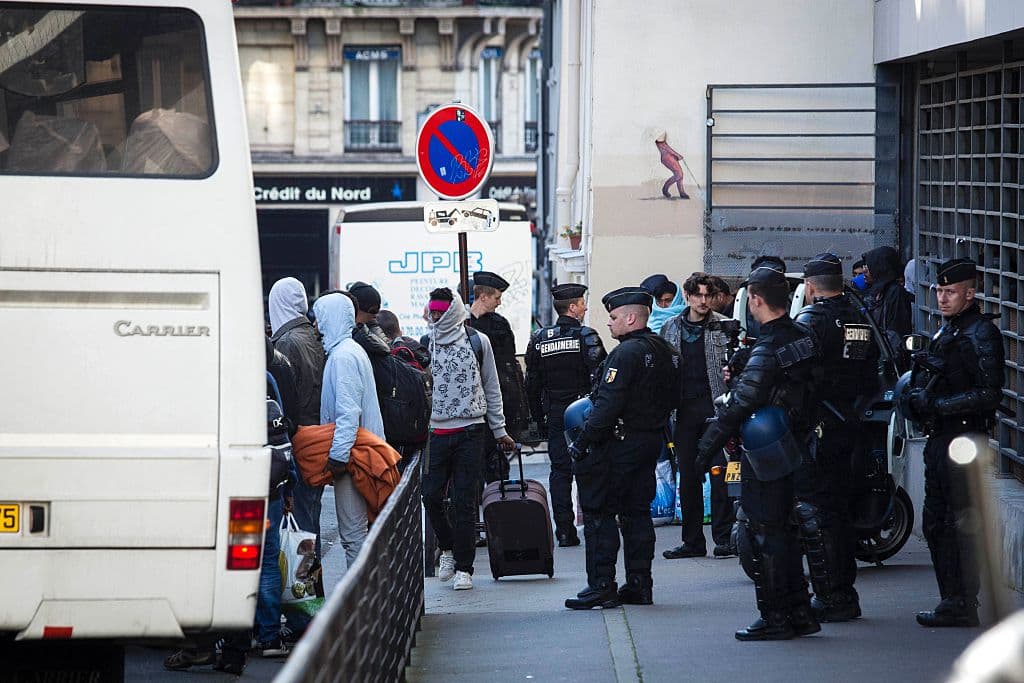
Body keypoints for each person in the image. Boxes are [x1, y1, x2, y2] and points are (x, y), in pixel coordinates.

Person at [696, 262, 820, 641]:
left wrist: (704, 451)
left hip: (768, 451)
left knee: (766, 534)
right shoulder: (802, 335)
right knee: (785, 531)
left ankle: (776, 618)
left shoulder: (768, 347)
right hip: (797, 443)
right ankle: (799, 612)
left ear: (755, 299)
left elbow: (742, 403)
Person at [901, 258, 1004, 627]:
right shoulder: (950, 329)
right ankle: (952, 599)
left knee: (959, 521)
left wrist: (938, 404)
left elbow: (990, 393)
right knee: (936, 522)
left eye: (950, 292)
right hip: (942, 435)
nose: (942, 299)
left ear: (970, 293)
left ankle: (963, 601)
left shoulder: (980, 333)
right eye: (939, 291)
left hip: (964, 436)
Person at [564, 287, 679, 609]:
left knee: (600, 514)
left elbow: (606, 405)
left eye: (614, 317)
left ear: (631, 317)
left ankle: (602, 585)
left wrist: (583, 443)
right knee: (636, 513)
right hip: (649, 441)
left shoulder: (625, 354)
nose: (610, 324)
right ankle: (640, 584)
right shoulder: (667, 350)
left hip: (617, 445)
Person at [793, 254, 879, 622]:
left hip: (821, 427)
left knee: (820, 515)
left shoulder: (811, 321)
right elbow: (873, 370)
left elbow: (798, 377)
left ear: (811, 286)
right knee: (841, 513)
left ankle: (832, 596)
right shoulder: (860, 316)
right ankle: (844, 592)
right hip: (854, 424)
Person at [422, 287, 515, 591]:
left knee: (464, 501)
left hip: (471, 430)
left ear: (451, 312)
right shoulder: (428, 343)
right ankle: (447, 548)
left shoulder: (477, 341)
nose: (435, 317)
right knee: (431, 496)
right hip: (437, 431)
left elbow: (492, 386)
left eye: (440, 313)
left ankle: (465, 567)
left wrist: (499, 430)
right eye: (432, 312)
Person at [524, 283, 607, 547]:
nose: (584, 307)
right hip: (584, 413)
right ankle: (594, 526)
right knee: (589, 469)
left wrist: (539, 418)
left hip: (556, 414)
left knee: (560, 472)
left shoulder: (540, 339)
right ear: (572, 307)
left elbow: (531, 384)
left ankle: (565, 531)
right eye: (582, 302)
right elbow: (601, 378)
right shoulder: (586, 336)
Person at [661, 272, 736, 560]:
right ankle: (692, 541)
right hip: (682, 413)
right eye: (698, 295)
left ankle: (723, 538)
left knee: (719, 474)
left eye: (708, 295)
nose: (703, 301)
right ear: (689, 296)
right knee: (688, 477)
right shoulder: (670, 328)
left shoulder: (722, 326)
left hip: (716, 410)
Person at [313, 292, 385, 570]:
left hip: (354, 457)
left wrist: (338, 456)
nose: (317, 327)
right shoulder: (350, 351)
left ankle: (362, 603)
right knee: (361, 534)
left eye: (321, 319)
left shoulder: (342, 357)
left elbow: (348, 412)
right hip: (362, 453)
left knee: (353, 535)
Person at [268, 278, 327, 578]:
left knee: (301, 524)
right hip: (317, 438)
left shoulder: (287, 343)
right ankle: (311, 595)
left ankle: (306, 596)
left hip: (299, 441)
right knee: (310, 518)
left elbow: (287, 401)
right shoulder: (312, 336)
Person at [467, 271, 530, 481]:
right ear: (483, 296)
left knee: (496, 462)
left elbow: (509, 365)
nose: (500, 302)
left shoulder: (499, 324)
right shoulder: (463, 325)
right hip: (473, 401)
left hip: (498, 397)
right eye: (497, 297)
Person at [861, 246, 913, 338]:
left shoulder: (895, 292)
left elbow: (896, 333)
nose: (865, 271)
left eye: (870, 267)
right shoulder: (875, 292)